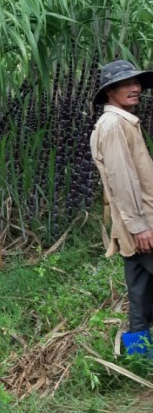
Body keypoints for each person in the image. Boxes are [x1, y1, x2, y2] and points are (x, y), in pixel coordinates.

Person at [90, 59, 153, 356]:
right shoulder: (114, 125)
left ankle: (139, 358)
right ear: (109, 91)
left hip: (134, 224)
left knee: (140, 292)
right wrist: (141, 226)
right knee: (141, 289)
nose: (136, 88)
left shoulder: (121, 123)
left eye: (137, 82)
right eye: (126, 84)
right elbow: (122, 180)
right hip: (144, 224)